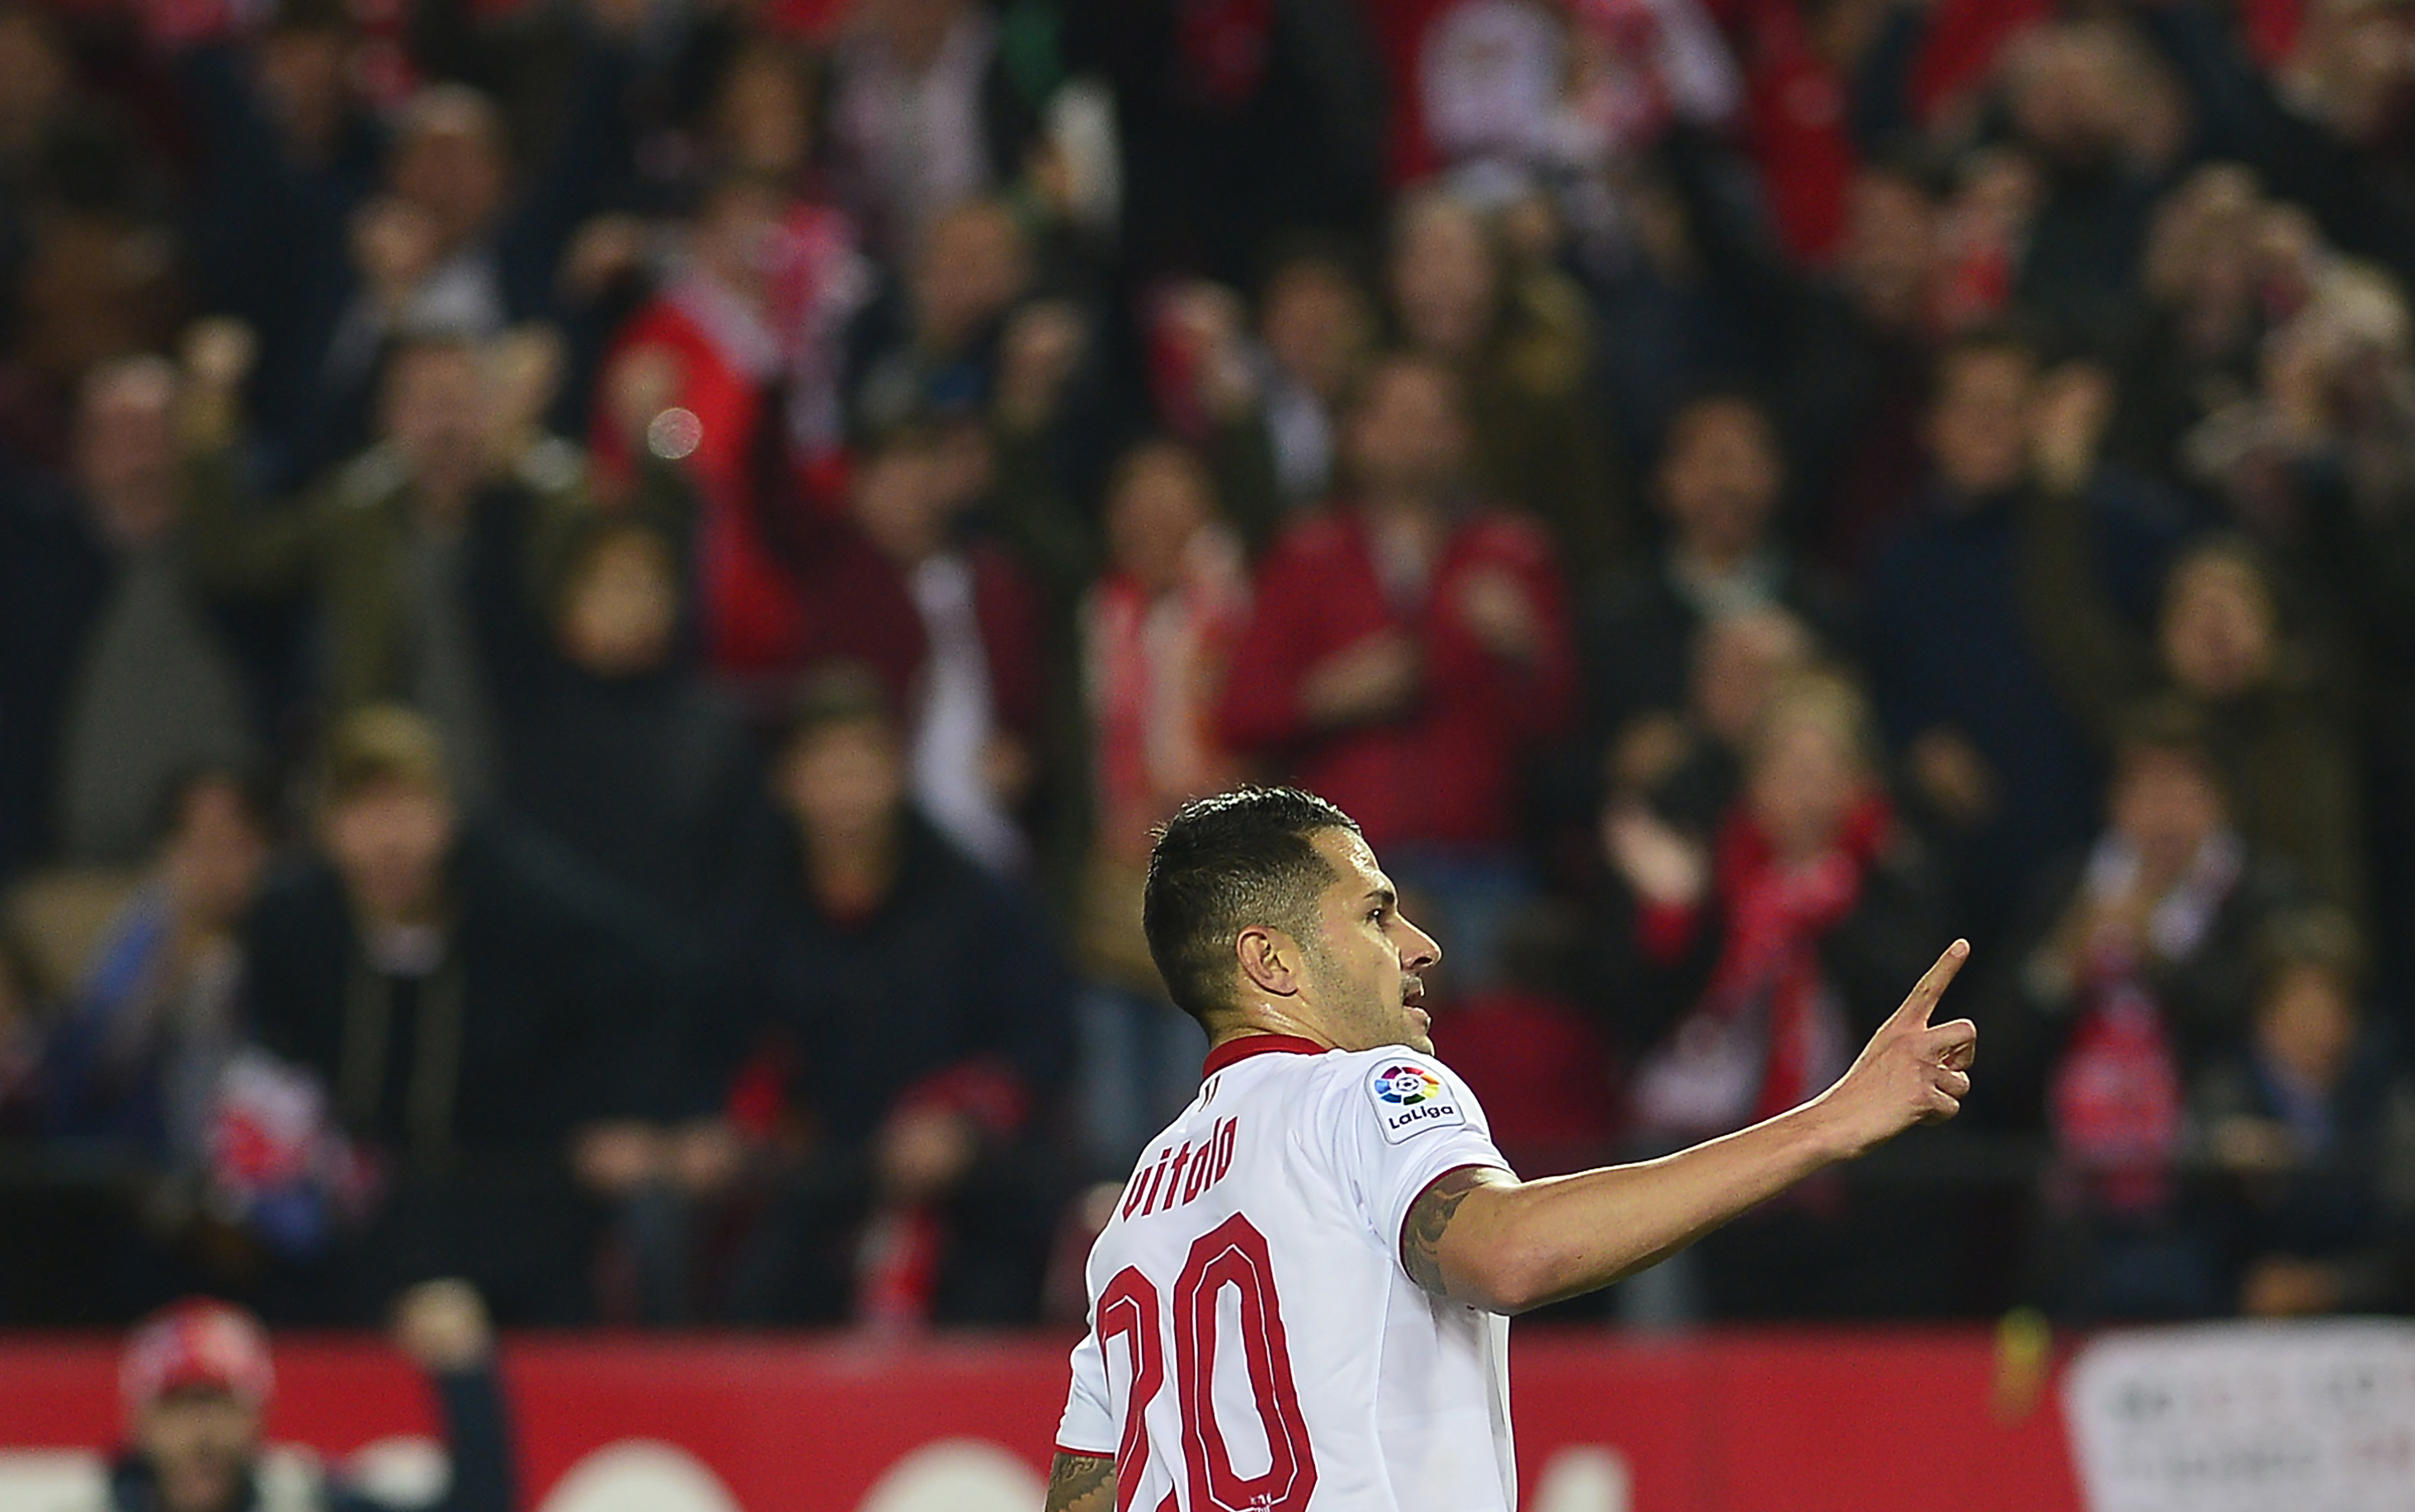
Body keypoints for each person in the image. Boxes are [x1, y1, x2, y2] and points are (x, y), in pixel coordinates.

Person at [1045, 786, 1975, 1512]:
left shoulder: (1135, 1212)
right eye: (1374, 914)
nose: (1421, 945)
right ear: (1270, 962)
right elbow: (1505, 1250)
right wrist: (1829, 1121)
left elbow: (1082, 1487)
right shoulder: (1365, 1090)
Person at [89, 1281, 515, 1512]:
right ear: (138, 1422)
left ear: (258, 1417)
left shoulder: (310, 1501)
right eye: (178, 1408)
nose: (203, 1436)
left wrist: (464, 1374)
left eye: (220, 1406)